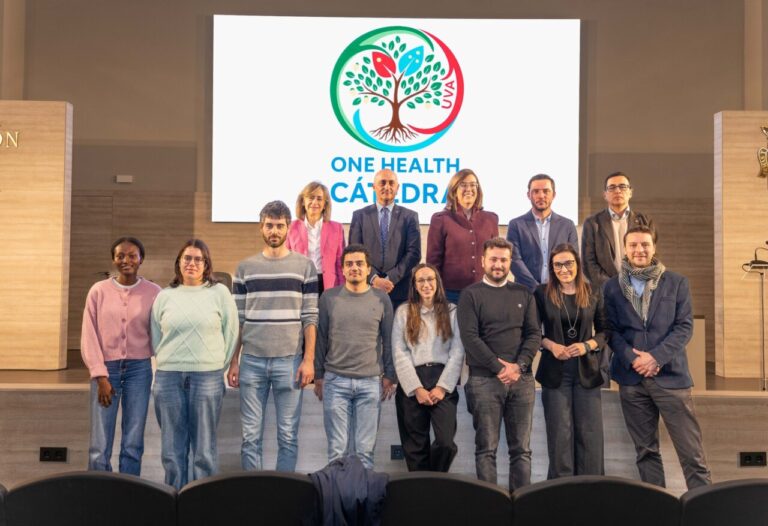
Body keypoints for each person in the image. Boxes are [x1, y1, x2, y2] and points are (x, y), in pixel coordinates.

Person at [604, 225, 711, 489]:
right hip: (631, 379)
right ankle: (657, 508)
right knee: (646, 452)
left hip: (671, 378)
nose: (639, 250)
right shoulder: (612, 287)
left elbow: (684, 327)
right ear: (625, 249)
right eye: (633, 245)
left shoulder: (677, 282)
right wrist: (633, 358)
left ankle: (705, 506)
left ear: (654, 247)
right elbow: (612, 331)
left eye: (645, 245)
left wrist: (655, 358)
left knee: (691, 453)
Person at [228, 200, 318, 472]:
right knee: (250, 438)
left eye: (280, 226)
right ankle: (254, 494)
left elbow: (310, 317)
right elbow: (238, 320)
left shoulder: (305, 267)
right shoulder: (245, 268)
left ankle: (283, 496)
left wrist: (309, 360)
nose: (274, 231)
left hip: (289, 362)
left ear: (289, 228)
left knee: (288, 437)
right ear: (261, 228)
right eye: (269, 225)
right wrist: (234, 361)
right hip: (252, 362)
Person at [151, 239, 239, 489]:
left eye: (197, 259)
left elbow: (231, 333)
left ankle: (201, 501)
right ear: (178, 263)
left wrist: (214, 365)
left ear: (206, 264)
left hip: (207, 376)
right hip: (168, 377)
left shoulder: (219, 293)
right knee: (171, 448)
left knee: (203, 448)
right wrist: (172, 359)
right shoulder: (164, 296)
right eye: (187, 258)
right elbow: (156, 335)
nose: (192, 263)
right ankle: (175, 497)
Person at [458, 237, 541, 490]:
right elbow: (470, 338)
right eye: (493, 259)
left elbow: (534, 334)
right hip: (484, 381)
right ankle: (491, 509)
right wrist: (500, 368)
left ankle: (522, 507)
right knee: (486, 449)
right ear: (483, 260)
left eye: (503, 260)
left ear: (510, 263)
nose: (498, 264)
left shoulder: (524, 294)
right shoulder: (470, 295)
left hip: (522, 381)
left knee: (522, 451)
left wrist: (519, 366)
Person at [81, 236, 161, 475]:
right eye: (120, 256)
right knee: (100, 443)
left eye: (132, 256)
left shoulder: (155, 292)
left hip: (140, 370)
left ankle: (129, 492)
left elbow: (160, 331)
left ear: (141, 259)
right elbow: (89, 335)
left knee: (133, 441)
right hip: (106, 370)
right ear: (113, 259)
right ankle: (97, 493)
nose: (126, 260)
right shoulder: (98, 291)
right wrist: (100, 376)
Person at [314, 244, 396, 469]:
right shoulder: (329, 298)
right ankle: (337, 500)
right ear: (342, 269)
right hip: (335, 382)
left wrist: (390, 374)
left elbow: (389, 339)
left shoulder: (382, 299)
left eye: (360, 263)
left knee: (365, 452)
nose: (355, 268)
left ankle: (364, 501)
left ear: (369, 269)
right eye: (349, 264)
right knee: (337, 451)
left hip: (370, 383)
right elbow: (321, 338)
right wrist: (318, 375)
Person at [534, 243, 607, 479]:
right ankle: (560, 491)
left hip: (587, 371)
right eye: (558, 265)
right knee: (560, 435)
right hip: (555, 373)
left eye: (568, 263)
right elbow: (533, 333)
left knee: (590, 435)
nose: (564, 269)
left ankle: (591, 488)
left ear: (577, 264)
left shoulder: (593, 291)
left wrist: (587, 345)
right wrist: (552, 346)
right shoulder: (541, 293)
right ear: (552, 268)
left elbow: (606, 332)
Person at [392, 263, 465, 472]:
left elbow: (458, 351)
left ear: (438, 283)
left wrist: (442, 388)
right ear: (414, 285)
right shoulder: (403, 312)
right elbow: (399, 352)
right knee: (415, 447)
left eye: (430, 279)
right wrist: (416, 388)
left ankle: (434, 481)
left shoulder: (452, 311)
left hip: (442, 380)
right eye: (421, 280)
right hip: (412, 382)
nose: (426, 284)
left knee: (445, 443)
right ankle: (420, 490)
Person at [349, 169, 421, 310]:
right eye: (382, 182)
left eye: (391, 183)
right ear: (373, 186)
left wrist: (389, 279)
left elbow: (414, 254)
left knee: (399, 332)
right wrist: (374, 279)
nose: (387, 187)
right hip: (367, 289)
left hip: (400, 292)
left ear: (397, 188)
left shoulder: (410, 217)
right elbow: (354, 252)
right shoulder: (360, 216)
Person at [426, 169, 499, 304]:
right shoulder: (440, 219)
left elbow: (496, 257)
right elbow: (433, 261)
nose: (469, 189)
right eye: (463, 185)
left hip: (484, 291)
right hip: (451, 294)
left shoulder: (491, 219)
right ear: (454, 190)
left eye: (473, 184)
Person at [581, 171, 655, 290]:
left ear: (630, 192)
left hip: (638, 289)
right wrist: (613, 286)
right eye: (612, 188)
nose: (617, 191)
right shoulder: (592, 223)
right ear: (605, 194)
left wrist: (635, 283)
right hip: (605, 291)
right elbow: (588, 264)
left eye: (622, 186)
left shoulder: (644, 221)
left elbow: (651, 256)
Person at [506, 174, 578, 292]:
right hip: (526, 292)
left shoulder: (567, 225)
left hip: (560, 291)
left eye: (546, 191)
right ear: (529, 195)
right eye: (535, 191)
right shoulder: (516, 225)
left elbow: (573, 260)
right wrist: (537, 288)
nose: (541, 195)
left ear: (553, 194)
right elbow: (515, 260)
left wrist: (554, 287)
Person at [286, 181, 345, 294]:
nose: (315, 202)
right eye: (311, 198)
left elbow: (340, 262)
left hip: (328, 285)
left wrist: (342, 289)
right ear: (303, 201)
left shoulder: (336, 228)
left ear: (325, 203)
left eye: (319, 199)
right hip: (300, 284)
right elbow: (286, 261)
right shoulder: (291, 227)